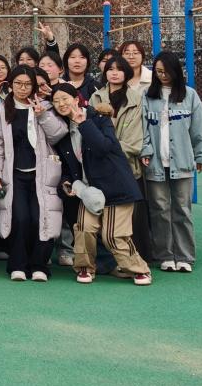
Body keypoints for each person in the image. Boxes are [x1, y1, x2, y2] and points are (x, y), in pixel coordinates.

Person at [50, 83, 152, 286]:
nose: (61, 104)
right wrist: (66, 182)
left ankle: (139, 269)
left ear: (76, 99)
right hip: (88, 191)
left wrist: (83, 124)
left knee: (113, 236)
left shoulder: (99, 119)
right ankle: (85, 268)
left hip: (116, 187)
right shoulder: (61, 131)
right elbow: (68, 166)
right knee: (84, 228)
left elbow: (104, 147)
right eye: (56, 101)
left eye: (65, 99)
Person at [0, 65, 68, 281]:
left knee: (41, 217)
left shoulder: (45, 107)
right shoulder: (1, 111)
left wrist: (42, 116)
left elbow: (59, 135)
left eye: (28, 84)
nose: (23, 88)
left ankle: (39, 265)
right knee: (18, 218)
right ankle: (18, 264)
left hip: (43, 174)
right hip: (14, 175)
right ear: (10, 85)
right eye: (18, 83)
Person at [140, 51, 202, 272]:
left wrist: (200, 155)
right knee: (159, 209)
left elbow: (198, 129)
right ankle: (165, 255)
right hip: (156, 162)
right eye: (159, 71)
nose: (163, 75)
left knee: (182, 209)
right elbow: (143, 128)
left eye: (167, 71)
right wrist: (146, 150)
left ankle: (185, 256)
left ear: (176, 71)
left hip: (182, 161)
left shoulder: (190, 95)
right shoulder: (147, 97)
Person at [90, 55, 152, 263]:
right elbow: (91, 133)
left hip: (127, 168)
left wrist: (108, 149)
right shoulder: (96, 98)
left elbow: (135, 141)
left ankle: (135, 260)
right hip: (100, 168)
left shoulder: (136, 99)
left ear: (126, 73)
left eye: (119, 69)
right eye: (110, 69)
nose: (114, 73)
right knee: (102, 219)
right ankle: (107, 262)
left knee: (130, 221)